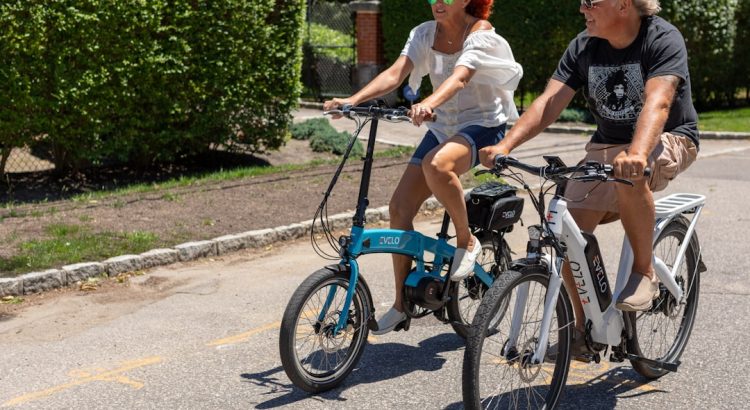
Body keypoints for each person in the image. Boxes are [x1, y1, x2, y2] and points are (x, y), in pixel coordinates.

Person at [480, 0, 698, 357]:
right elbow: (549, 102)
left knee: (629, 175)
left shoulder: (661, 38)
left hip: (668, 138)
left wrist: (640, 154)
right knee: (567, 228)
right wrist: (505, 144)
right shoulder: (584, 45)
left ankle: (644, 272)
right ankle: (585, 329)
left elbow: (657, 102)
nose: (583, 9)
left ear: (623, 4)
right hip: (608, 145)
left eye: (591, 2)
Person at [324, 0, 522, 335]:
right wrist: (352, 101)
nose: (438, 3)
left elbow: (460, 77)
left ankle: (466, 241)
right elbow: (396, 72)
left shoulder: (481, 33)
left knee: (438, 164)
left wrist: (428, 103)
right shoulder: (424, 33)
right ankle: (402, 306)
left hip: (483, 125)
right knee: (399, 208)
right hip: (443, 127)